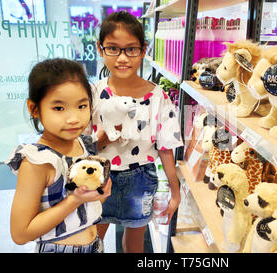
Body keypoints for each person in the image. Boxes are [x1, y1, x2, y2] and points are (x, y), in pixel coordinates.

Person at [91, 11, 183, 253]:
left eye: (131, 49)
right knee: (93, 238)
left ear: (143, 50)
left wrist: (176, 191)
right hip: (98, 176)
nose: (122, 58)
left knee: (134, 243)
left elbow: (166, 148)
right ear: (100, 49)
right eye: (113, 48)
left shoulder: (158, 97)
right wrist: (102, 137)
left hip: (141, 178)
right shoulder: (91, 94)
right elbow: (82, 146)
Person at [6, 58, 112, 253]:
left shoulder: (83, 145)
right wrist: (74, 200)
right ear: (34, 109)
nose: (73, 119)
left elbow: (88, 207)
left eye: (82, 106)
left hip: (95, 244)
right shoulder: (38, 162)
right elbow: (20, 234)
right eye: (59, 108)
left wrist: (99, 194)